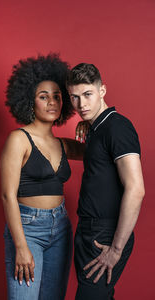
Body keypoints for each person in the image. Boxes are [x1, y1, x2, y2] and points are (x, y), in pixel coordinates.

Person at [0, 54, 84, 300]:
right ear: (29, 101)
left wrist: (89, 123)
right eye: (43, 96)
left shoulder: (62, 144)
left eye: (57, 96)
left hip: (61, 228)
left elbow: (99, 151)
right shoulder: (18, 139)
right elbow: (7, 196)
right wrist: (21, 246)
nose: (52, 102)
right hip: (28, 230)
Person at [66, 63, 145, 300]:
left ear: (102, 91)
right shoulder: (97, 127)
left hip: (105, 234)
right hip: (88, 229)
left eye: (88, 94)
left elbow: (136, 189)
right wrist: (88, 125)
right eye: (75, 97)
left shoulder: (117, 127)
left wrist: (116, 249)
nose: (81, 104)